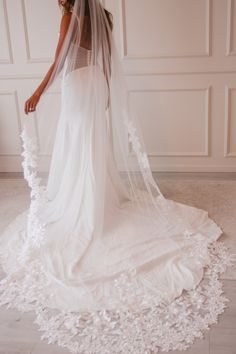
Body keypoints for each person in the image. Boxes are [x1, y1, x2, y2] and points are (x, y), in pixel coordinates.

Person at [0, 1, 234, 353]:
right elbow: (107, 62)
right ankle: (95, 197)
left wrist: (37, 92)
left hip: (77, 87)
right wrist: (107, 91)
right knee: (91, 145)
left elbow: (60, 61)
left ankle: (84, 205)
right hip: (95, 85)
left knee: (78, 145)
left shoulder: (68, 17)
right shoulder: (104, 18)